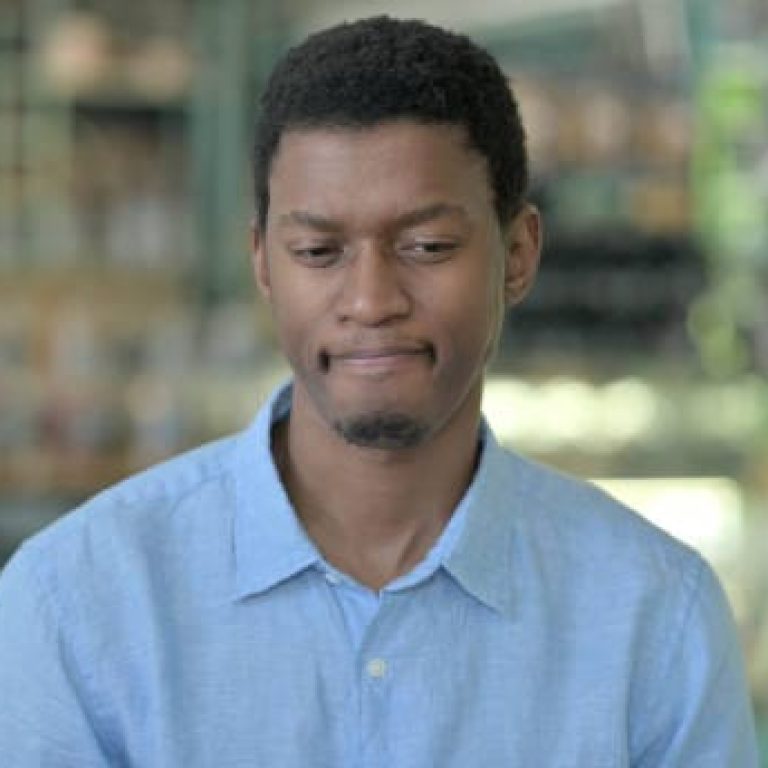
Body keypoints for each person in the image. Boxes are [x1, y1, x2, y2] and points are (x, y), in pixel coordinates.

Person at [0, 15, 759, 766]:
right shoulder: (78, 601)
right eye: (318, 251)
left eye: (427, 246)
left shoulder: (654, 618)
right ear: (263, 263)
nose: (370, 299)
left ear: (519, 255)